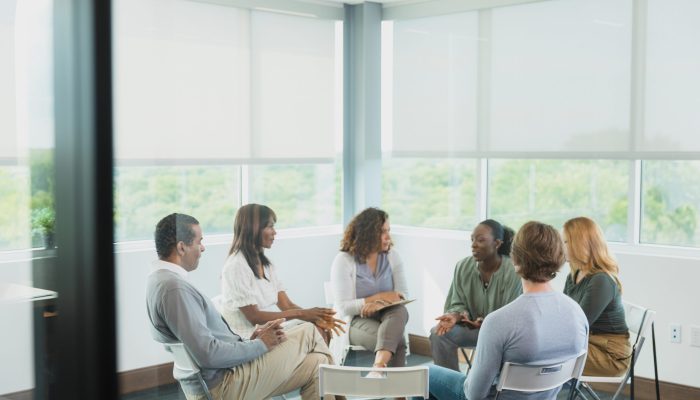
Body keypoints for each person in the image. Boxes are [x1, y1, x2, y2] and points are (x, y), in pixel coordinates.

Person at [146, 213, 338, 400]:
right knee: (309, 330)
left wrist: (248, 343)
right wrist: (259, 345)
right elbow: (208, 354)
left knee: (318, 364)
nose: (203, 248)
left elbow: (206, 346)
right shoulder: (174, 288)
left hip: (226, 376)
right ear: (181, 247)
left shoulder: (162, 281)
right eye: (199, 242)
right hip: (224, 386)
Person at [424, 221, 589, 400]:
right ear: (559, 258)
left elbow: (473, 394)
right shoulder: (577, 313)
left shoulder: (498, 321)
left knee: (424, 375)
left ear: (515, 261)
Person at [220, 204, 344, 343]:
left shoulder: (267, 265)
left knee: (319, 329)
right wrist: (303, 314)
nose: (275, 232)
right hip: (251, 338)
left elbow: (287, 306)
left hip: (270, 330)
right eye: (270, 226)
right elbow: (254, 317)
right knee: (314, 331)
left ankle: (323, 364)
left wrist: (317, 318)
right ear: (253, 229)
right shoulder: (236, 266)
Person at [430, 219, 522, 371]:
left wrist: (485, 322)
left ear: (497, 243)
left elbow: (511, 316)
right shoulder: (462, 266)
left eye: (481, 240)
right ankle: (450, 384)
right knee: (438, 333)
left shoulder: (513, 271)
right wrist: (455, 316)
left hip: (500, 335)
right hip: (472, 330)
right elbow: (456, 302)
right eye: (472, 239)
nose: (473, 244)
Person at [330, 207, 409, 370]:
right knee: (397, 341)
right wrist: (378, 297)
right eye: (382, 232)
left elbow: (403, 296)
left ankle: (378, 369)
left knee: (400, 310)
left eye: (389, 231)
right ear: (367, 235)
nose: (388, 237)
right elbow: (344, 307)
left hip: (387, 315)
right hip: (355, 321)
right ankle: (398, 393)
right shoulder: (343, 260)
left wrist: (378, 304)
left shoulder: (393, 256)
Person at [563, 216, 631, 376]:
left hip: (611, 355)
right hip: (589, 343)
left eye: (565, 242)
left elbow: (578, 324)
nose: (561, 247)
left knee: (546, 354)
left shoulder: (601, 280)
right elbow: (564, 315)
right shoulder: (573, 275)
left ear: (580, 244)